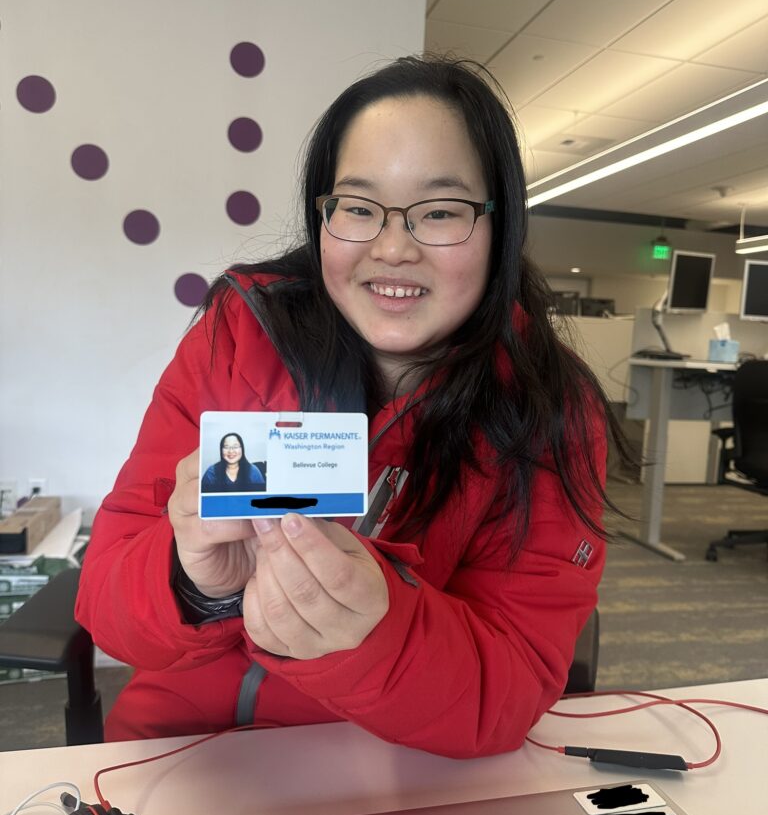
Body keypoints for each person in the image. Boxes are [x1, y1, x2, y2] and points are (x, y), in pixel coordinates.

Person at [76, 55, 632, 757]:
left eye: (439, 212)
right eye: (360, 208)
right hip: (184, 759)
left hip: (386, 774)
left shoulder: (551, 408)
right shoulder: (239, 332)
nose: (392, 248)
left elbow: (511, 690)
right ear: (324, 216)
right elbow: (105, 605)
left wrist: (377, 631)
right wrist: (191, 581)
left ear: (500, 226)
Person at [201, 432, 266, 493]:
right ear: (221, 450)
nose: (231, 451)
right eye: (226, 447)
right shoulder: (212, 472)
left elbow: (260, 497)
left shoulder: (252, 471)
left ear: (242, 449)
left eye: (235, 447)